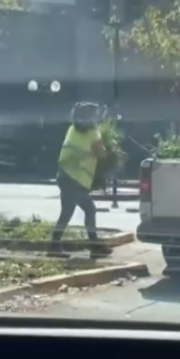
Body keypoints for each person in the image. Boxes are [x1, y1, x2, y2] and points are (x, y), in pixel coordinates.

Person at [49, 102, 113, 258]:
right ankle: (94, 246)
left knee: (66, 212)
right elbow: (102, 155)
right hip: (76, 180)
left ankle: (53, 246)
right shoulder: (93, 134)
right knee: (90, 210)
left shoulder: (72, 130)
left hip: (63, 176)